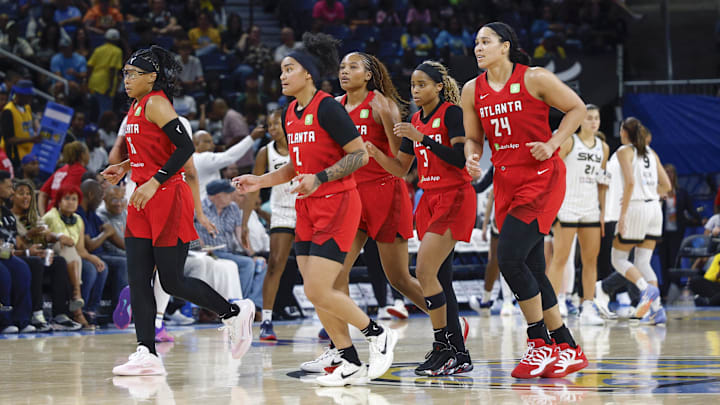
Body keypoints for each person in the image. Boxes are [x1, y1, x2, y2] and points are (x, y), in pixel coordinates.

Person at [233, 33, 396, 387]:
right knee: (314, 288)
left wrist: (320, 178)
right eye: (281, 70)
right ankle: (348, 359)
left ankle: (378, 334)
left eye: (289, 69)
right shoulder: (290, 113)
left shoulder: (328, 107)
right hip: (306, 207)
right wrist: (258, 181)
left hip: (338, 203)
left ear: (307, 73)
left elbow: (359, 155)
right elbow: (295, 166)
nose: (282, 76)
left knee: (318, 290)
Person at [101, 45, 255, 376]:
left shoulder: (156, 102)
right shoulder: (136, 105)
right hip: (142, 198)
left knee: (171, 281)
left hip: (167, 197)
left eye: (132, 74)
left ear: (151, 78)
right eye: (124, 74)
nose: (126, 79)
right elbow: (155, 149)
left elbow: (184, 146)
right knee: (139, 279)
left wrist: (154, 181)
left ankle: (233, 312)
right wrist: (126, 166)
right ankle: (146, 352)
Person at [463, 22, 588, 379]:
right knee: (532, 268)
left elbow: (576, 109)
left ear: (505, 46)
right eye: (476, 43)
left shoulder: (533, 78)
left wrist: (552, 143)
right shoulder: (472, 90)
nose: (478, 48)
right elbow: (474, 138)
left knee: (509, 258)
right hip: (505, 182)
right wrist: (473, 156)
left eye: (486, 42)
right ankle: (567, 346)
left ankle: (539, 342)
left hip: (541, 179)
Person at [367, 60, 474, 376]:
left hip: (454, 196)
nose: (415, 90)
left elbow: (459, 159)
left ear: (439, 86)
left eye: (422, 84)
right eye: (413, 85)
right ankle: (459, 353)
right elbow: (401, 169)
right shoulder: (413, 119)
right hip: (427, 199)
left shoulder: (452, 114)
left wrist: (422, 138)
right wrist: (375, 154)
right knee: (442, 281)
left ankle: (442, 346)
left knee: (424, 271)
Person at [602, 117, 671, 325]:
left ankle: (645, 289)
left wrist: (622, 215)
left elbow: (630, 182)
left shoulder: (625, 151)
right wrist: (651, 194)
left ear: (623, 132)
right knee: (643, 262)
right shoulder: (652, 152)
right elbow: (667, 186)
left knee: (618, 259)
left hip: (636, 207)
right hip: (654, 209)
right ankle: (657, 310)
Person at [546, 104, 609, 325]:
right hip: (567, 207)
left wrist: (602, 212)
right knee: (560, 259)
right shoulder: (569, 142)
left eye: (597, 118)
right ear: (581, 120)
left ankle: (588, 306)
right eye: (589, 118)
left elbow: (603, 183)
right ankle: (554, 304)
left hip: (591, 208)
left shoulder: (603, 147)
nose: (593, 122)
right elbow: (552, 171)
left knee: (590, 260)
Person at [241, 109, 296, 341]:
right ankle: (266, 320)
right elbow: (253, 189)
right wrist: (244, 223)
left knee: (314, 268)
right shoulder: (266, 152)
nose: (272, 129)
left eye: (276, 124)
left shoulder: (300, 145)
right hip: (281, 212)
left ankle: (328, 320)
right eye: (269, 125)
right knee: (274, 264)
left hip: (307, 209)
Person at [42, 184, 106, 329]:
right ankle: (76, 307)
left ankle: (88, 310)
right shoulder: (51, 216)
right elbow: (49, 239)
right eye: (67, 198)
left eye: (74, 199)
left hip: (72, 256)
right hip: (53, 254)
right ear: (59, 201)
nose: (71, 202)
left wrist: (93, 258)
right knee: (76, 256)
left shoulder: (78, 220)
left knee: (98, 267)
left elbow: (81, 249)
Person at [658, 163, 701, 299]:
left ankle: (675, 290)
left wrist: (700, 219)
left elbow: (690, 211)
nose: (668, 175)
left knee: (675, 261)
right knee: (664, 262)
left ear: (675, 175)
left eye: (671, 172)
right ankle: (665, 292)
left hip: (677, 232)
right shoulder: (658, 192)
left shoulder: (681, 193)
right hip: (662, 233)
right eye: (666, 172)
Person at [38, 141, 89, 215]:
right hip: (63, 216)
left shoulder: (62, 169)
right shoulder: (81, 172)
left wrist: (43, 216)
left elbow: (42, 193)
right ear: (82, 155)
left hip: (50, 213)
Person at [1, 80, 40, 166]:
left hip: (27, 154)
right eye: (28, 96)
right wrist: (30, 139)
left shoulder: (27, 107)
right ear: (20, 95)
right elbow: (8, 140)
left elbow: (28, 129)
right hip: (13, 157)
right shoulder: (8, 111)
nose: (31, 98)